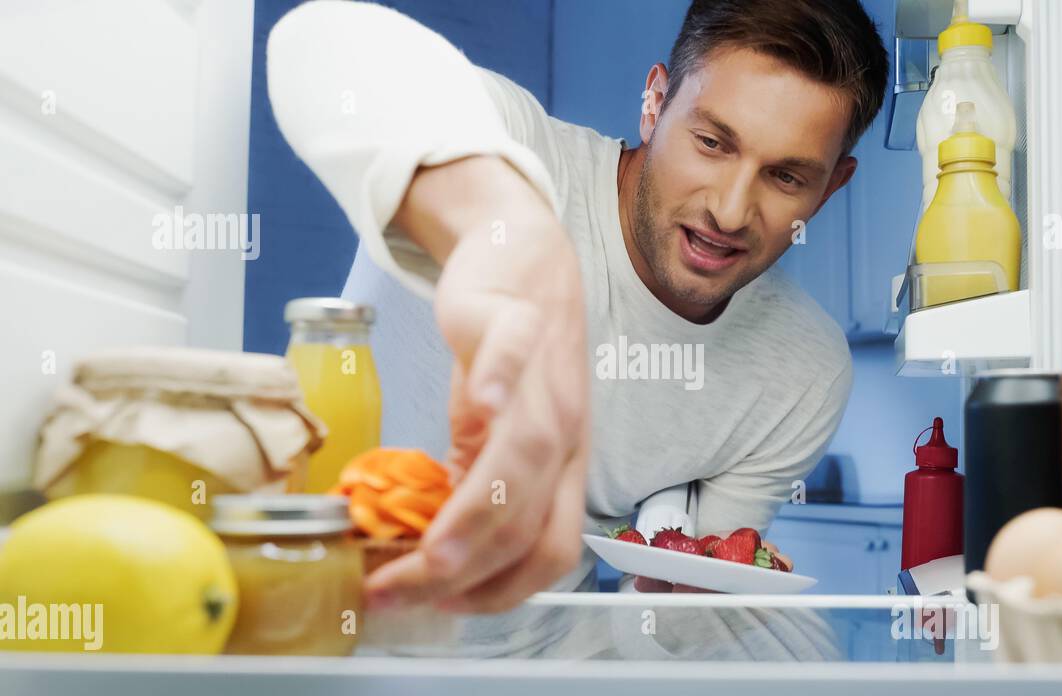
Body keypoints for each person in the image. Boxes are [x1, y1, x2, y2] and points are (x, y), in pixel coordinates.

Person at [268, 0, 889, 658]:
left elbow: (670, 611)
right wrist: (500, 232)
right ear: (654, 103)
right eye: (712, 142)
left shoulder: (803, 369)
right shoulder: (519, 154)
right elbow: (320, 46)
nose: (730, 210)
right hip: (319, 648)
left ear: (830, 188)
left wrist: (679, 607)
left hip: (544, 688)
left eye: (786, 176)